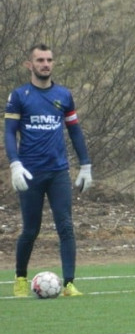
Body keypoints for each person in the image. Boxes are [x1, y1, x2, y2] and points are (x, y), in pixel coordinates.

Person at [4, 44, 92, 298]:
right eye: (40, 60)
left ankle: (69, 284)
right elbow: (9, 132)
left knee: (65, 226)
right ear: (29, 65)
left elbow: (75, 131)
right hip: (30, 173)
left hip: (58, 172)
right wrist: (15, 164)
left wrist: (85, 164)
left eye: (49, 60)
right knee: (31, 229)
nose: (45, 64)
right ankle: (21, 278)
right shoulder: (19, 96)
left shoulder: (64, 95)